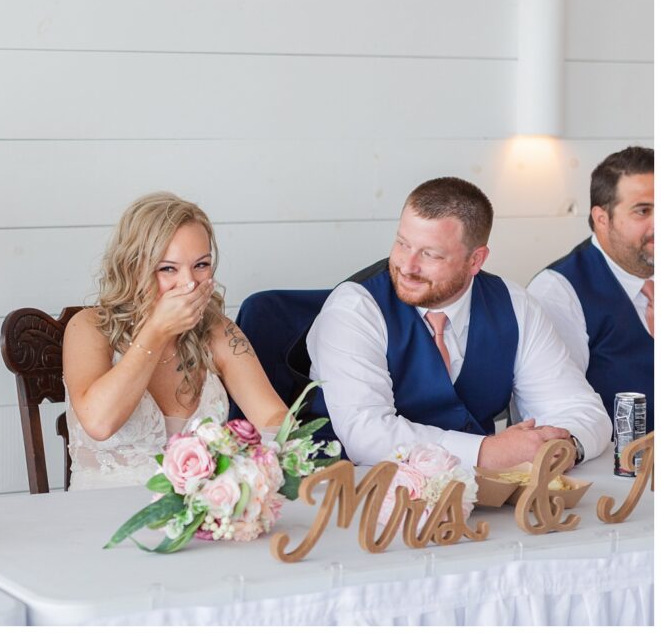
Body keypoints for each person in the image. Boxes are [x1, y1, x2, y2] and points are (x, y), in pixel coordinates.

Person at [300, 177, 610, 470]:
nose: (407, 266)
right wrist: (488, 452)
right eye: (402, 244)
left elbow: (581, 409)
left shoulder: (516, 305)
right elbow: (365, 435)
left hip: (482, 499)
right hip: (352, 494)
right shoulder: (355, 308)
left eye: (430, 254)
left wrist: (563, 444)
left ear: (476, 260)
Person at [62, 192, 289, 490]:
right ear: (133, 266)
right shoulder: (88, 327)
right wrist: (158, 330)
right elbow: (100, 423)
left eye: (201, 265)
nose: (189, 284)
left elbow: (274, 417)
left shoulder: (218, 331)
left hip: (196, 518)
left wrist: (258, 468)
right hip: (95, 521)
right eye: (168, 268)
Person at [528, 147, 653, 431]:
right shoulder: (558, 292)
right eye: (643, 211)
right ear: (601, 218)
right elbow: (556, 416)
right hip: (610, 469)